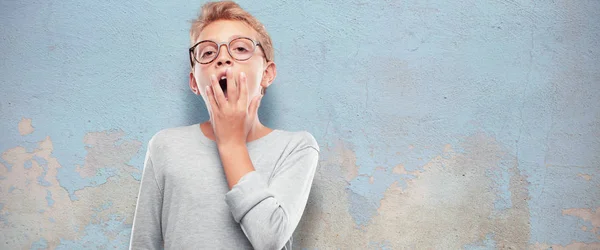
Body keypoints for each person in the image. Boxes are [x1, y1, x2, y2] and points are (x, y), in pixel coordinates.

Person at [128, 1, 320, 249]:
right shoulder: (165, 146)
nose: (223, 58)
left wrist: (231, 143)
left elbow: (270, 239)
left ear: (267, 74)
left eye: (240, 48)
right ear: (194, 82)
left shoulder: (296, 147)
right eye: (208, 53)